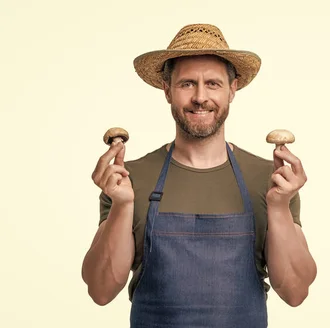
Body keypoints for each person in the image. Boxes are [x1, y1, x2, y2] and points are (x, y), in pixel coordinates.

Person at [81, 23, 317, 328]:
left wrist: (279, 207)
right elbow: (100, 291)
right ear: (167, 90)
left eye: (214, 84)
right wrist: (123, 206)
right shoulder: (128, 180)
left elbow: (296, 292)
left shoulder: (271, 181)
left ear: (233, 89)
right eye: (187, 83)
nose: (200, 97)